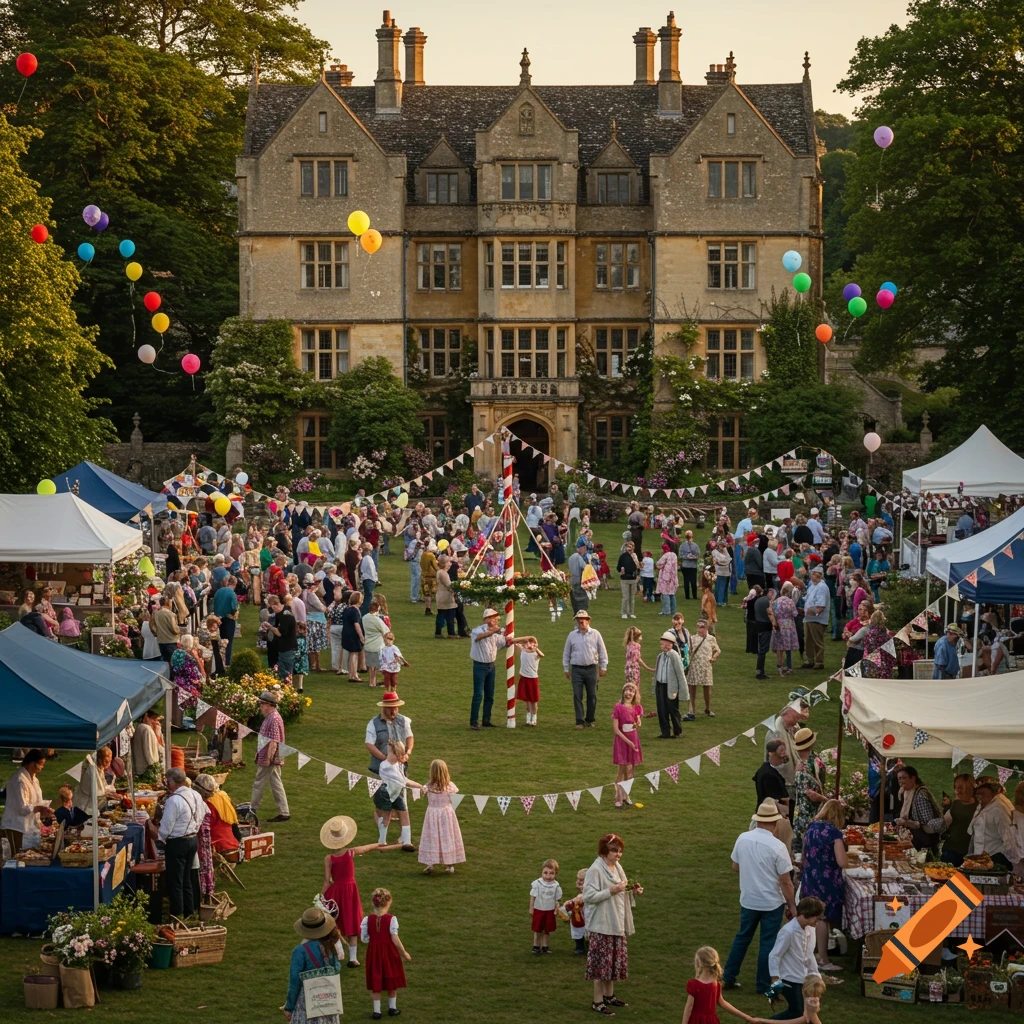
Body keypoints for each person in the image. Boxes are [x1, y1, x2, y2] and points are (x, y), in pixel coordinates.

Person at [722, 800, 797, 996]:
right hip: (771, 902)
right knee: (768, 943)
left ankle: (728, 976)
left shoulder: (743, 838)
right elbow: (786, 882)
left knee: (742, 937)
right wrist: (792, 906)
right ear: (774, 823)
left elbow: (735, 866)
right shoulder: (778, 847)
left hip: (749, 898)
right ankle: (763, 984)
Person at [320, 815, 401, 970]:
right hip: (350, 891)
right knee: (351, 920)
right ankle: (353, 958)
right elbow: (368, 848)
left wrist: (321, 898)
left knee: (334, 921)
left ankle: (337, 952)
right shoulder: (351, 853)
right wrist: (380, 843)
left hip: (336, 892)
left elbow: (327, 881)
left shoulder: (328, 858)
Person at [583, 833, 637, 1016]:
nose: (618, 854)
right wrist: (611, 890)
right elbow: (588, 897)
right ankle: (597, 1001)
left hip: (616, 923)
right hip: (601, 925)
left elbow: (622, 887)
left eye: (620, 851)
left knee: (612, 963)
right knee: (600, 967)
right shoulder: (595, 870)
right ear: (604, 851)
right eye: (614, 851)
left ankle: (609, 996)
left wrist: (632, 888)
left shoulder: (617, 867)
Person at [798, 801, 848, 973]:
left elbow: (804, 854)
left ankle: (813, 953)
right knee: (822, 918)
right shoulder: (834, 833)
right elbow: (842, 862)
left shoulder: (811, 827)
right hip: (827, 881)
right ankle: (823, 958)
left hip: (810, 876)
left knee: (813, 916)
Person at [365, 695, 417, 850]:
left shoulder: (404, 720)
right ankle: (382, 837)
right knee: (382, 808)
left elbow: (410, 737)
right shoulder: (373, 723)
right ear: (384, 707)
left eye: (396, 708)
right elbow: (369, 744)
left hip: (400, 769)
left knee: (402, 806)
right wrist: (385, 759)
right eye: (391, 708)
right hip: (379, 772)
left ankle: (405, 839)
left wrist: (408, 752)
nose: (394, 711)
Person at [469, 608, 534, 730]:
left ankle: (486, 720)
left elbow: (505, 643)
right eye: (492, 617)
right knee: (478, 694)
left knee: (490, 694)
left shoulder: (497, 634)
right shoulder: (477, 630)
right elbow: (480, 637)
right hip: (479, 666)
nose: (495, 619)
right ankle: (474, 722)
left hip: (491, 666)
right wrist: (496, 631)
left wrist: (522, 640)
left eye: (496, 617)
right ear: (486, 619)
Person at [159, 767, 208, 917]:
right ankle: (189, 911)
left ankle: (177, 914)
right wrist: (194, 828)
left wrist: (160, 838)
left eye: (168, 781)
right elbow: (202, 814)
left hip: (177, 842)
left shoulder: (173, 801)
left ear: (172, 781)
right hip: (192, 839)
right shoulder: (195, 795)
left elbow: (166, 827)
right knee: (187, 878)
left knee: (176, 881)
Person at [767, 896, 824, 1020]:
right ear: (807, 914)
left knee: (805, 1012)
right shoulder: (788, 931)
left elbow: (809, 954)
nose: (818, 921)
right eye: (817, 918)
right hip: (788, 979)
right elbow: (774, 955)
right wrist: (775, 979)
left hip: (802, 978)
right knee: (796, 1012)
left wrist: (816, 975)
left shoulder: (810, 930)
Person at [284, 907, 342, 1024]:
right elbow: (337, 969)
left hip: (307, 1003)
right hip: (328, 1002)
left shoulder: (300, 951)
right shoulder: (330, 946)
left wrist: (289, 1007)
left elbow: (295, 982)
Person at [361, 887, 411, 1020]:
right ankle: (392, 1008)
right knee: (391, 978)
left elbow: (364, 939)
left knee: (375, 980)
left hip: (373, 953)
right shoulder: (391, 919)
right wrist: (404, 952)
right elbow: (394, 937)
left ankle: (376, 1011)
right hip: (389, 953)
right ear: (388, 902)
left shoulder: (367, 920)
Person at [683, 945, 762, 1024]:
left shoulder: (693, 984)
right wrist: (746, 1017)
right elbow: (722, 1003)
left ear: (699, 963)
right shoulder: (716, 984)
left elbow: (689, 1007)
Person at [563, 609, 609, 730]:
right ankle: (579, 721)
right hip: (576, 669)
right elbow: (566, 653)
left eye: (583, 619)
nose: (581, 621)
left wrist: (603, 666)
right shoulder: (572, 635)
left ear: (588, 621)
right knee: (577, 695)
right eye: (579, 619)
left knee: (592, 695)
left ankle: (590, 719)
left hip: (591, 668)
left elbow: (602, 651)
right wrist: (566, 669)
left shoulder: (595, 634)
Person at [418, 759, 465, 874]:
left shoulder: (428, 787)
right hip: (446, 814)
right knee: (447, 837)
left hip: (433, 814)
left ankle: (430, 863)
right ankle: (450, 865)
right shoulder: (450, 786)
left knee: (431, 837)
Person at [251, 689, 290, 823]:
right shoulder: (272, 717)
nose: (260, 706)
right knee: (276, 784)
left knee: (258, 783)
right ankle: (284, 812)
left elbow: (273, 742)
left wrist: (267, 759)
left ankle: (252, 809)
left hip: (270, 758)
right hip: (273, 757)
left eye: (262, 704)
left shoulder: (273, 719)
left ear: (269, 705)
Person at [0, 749, 50, 855]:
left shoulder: (35, 779)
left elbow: (38, 800)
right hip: (16, 826)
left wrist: (46, 807)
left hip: (29, 826)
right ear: (32, 763)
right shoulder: (19, 780)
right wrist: (39, 808)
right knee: (17, 857)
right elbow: (22, 808)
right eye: (41, 764)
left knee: (28, 856)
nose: (42, 767)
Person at [894, 765, 945, 853]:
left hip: (925, 842)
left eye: (904, 778)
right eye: (899, 778)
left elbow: (928, 822)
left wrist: (908, 823)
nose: (901, 781)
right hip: (915, 839)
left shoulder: (920, 795)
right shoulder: (905, 792)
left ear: (913, 778)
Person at [968, 778, 1015, 868]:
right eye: (977, 793)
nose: (979, 796)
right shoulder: (984, 804)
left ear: (994, 791)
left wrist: (999, 859)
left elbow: (1010, 839)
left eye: (983, 793)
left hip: (995, 858)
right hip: (980, 859)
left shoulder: (998, 808)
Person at [791, 729, 826, 846]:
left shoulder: (807, 765)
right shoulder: (814, 762)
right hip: (808, 814)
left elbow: (816, 791)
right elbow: (820, 787)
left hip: (805, 814)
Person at [192, 772, 240, 855]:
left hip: (218, 847)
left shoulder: (209, 804)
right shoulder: (223, 795)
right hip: (233, 843)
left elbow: (203, 829)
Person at [612, 682, 643, 806]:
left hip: (633, 739)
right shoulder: (618, 707)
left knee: (630, 771)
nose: (629, 693)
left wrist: (637, 723)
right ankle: (618, 797)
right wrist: (628, 742)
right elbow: (616, 730)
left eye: (632, 691)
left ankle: (626, 795)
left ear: (635, 694)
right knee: (622, 770)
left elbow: (637, 722)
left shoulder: (636, 707)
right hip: (622, 741)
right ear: (623, 692)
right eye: (627, 690)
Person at [651, 629, 684, 739]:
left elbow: (680, 673)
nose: (664, 645)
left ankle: (677, 731)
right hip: (661, 685)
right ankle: (665, 732)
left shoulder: (674, 656)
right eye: (663, 643)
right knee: (662, 709)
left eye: (667, 643)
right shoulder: (660, 656)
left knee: (673, 709)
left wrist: (682, 690)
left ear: (671, 644)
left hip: (671, 687)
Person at [686, 619, 721, 721]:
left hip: (706, 666)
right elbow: (687, 651)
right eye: (698, 627)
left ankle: (707, 708)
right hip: (694, 666)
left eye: (701, 627)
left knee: (707, 687)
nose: (699, 629)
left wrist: (714, 657)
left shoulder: (711, 639)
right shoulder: (692, 638)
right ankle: (692, 710)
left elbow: (718, 650)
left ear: (706, 628)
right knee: (692, 688)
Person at [942, 773, 978, 867]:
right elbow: (945, 823)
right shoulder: (956, 803)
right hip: (951, 849)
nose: (957, 791)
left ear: (970, 787)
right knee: (946, 875)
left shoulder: (979, 807)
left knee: (962, 877)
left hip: (969, 853)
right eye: (955, 787)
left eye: (961, 788)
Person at [529, 858, 563, 954]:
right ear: (542, 872)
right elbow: (533, 896)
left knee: (547, 929)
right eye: (545, 873)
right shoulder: (537, 883)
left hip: (550, 910)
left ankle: (545, 946)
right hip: (539, 909)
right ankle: (536, 946)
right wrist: (531, 908)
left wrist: (557, 908)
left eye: (551, 873)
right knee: (538, 929)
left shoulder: (556, 885)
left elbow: (557, 899)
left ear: (555, 873)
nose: (548, 876)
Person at [73, 745, 117, 817]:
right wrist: (109, 795)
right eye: (106, 762)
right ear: (99, 759)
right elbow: (94, 792)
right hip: (84, 807)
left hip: (92, 806)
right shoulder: (91, 770)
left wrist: (110, 790)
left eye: (110, 761)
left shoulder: (99, 766)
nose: (108, 764)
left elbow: (103, 785)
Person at [800, 568, 829, 671]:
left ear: (818, 575)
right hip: (808, 618)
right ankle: (810, 660)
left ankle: (819, 661)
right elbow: (808, 598)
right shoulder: (812, 585)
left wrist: (811, 612)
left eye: (813, 574)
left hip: (817, 619)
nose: (811, 576)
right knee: (808, 640)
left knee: (817, 640)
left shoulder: (822, 587)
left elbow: (821, 605)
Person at [770, 583, 800, 677]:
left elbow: (773, 612)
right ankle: (789, 666)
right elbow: (795, 614)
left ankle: (780, 665)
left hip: (778, 625)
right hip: (788, 626)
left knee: (779, 646)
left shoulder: (776, 601)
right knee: (788, 647)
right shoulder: (790, 602)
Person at [754, 740, 791, 816]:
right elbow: (776, 799)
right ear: (771, 753)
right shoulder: (768, 775)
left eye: (784, 750)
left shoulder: (767, 769)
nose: (784, 753)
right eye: (781, 750)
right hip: (770, 814)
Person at [516, 637, 544, 727]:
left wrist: (535, 648)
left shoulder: (536, 654)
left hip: (532, 678)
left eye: (533, 643)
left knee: (533, 700)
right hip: (524, 677)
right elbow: (516, 643)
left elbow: (542, 655)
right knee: (527, 699)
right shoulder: (523, 650)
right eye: (529, 643)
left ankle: (534, 717)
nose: (530, 645)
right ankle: (528, 717)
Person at [131, 707, 163, 779]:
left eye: (157, 720)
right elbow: (148, 751)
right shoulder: (147, 729)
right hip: (146, 770)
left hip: (140, 769)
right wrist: (153, 768)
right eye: (153, 719)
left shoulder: (141, 727)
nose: (155, 722)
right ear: (146, 717)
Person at [340, 591, 365, 682]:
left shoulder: (347, 609)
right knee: (354, 654)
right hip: (353, 634)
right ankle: (354, 675)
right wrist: (361, 636)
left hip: (346, 633)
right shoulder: (355, 611)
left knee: (351, 654)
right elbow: (356, 624)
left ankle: (351, 674)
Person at [616, 541, 641, 619]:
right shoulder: (623, 556)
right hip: (625, 579)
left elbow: (638, 567)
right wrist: (621, 570)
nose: (630, 548)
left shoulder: (635, 556)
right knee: (626, 597)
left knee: (632, 597)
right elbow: (618, 567)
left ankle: (631, 612)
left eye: (632, 546)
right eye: (629, 546)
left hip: (633, 578)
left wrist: (638, 573)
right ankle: (624, 612)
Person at [568, 537, 591, 615]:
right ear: (583, 547)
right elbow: (586, 569)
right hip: (579, 585)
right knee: (582, 609)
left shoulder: (571, 557)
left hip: (571, 584)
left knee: (575, 609)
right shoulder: (578, 557)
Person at [656, 543, 680, 616]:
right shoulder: (674, 555)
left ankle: (666, 611)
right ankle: (673, 610)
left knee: (665, 593)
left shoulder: (666, 555)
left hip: (665, 577)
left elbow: (659, 564)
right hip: (673, 576)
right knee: (671, 593)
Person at [679, 531, 701, 600]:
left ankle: (687, 596)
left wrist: (686, 557)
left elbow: (681, 555)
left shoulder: (682, 545)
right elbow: (698, 554)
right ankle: (694, 596)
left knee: (686, 581)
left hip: (685, 565)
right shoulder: (695, 545)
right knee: (693, 581)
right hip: (692, 565)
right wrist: (693, 557)